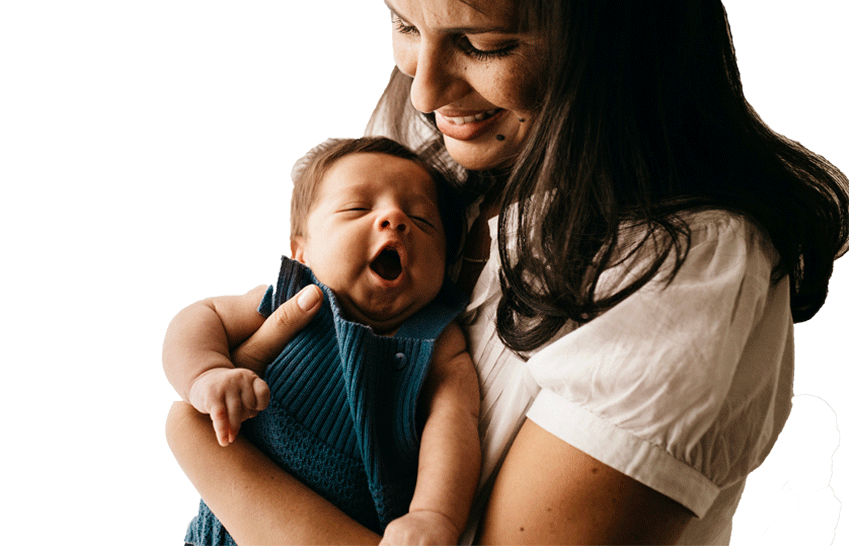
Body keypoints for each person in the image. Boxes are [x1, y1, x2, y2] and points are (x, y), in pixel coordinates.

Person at [166, 1, 849, 544]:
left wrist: (205, 447)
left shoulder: (683, 269)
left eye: (485, 44)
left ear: (615, 44)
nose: (425, 88)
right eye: (403, 22)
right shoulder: (452, 168)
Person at [163, 137, 481, 545]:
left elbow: (453, 424)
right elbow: (199, 317)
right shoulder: (289, 299)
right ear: (301, 251)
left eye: (422, 220)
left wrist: (432, 514)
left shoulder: (437, 340)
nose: (395, 219)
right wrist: (206, 373)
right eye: (357, 208)